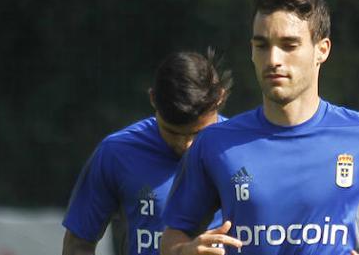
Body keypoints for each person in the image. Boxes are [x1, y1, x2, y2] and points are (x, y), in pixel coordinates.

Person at [161, 0, 359, 255]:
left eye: (289, 45)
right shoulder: (214, 144)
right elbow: (173, 234)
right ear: (252, 51)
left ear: (321, 50)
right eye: (262, 46)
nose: (273, 59)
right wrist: (184, 251)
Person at [62, 49, 232, 255]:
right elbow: (79, 243)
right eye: (172, 132)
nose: (185, 145)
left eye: (197, 133)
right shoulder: (117, 153)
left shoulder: (242, 151)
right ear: (153, 99)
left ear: (219, 99)